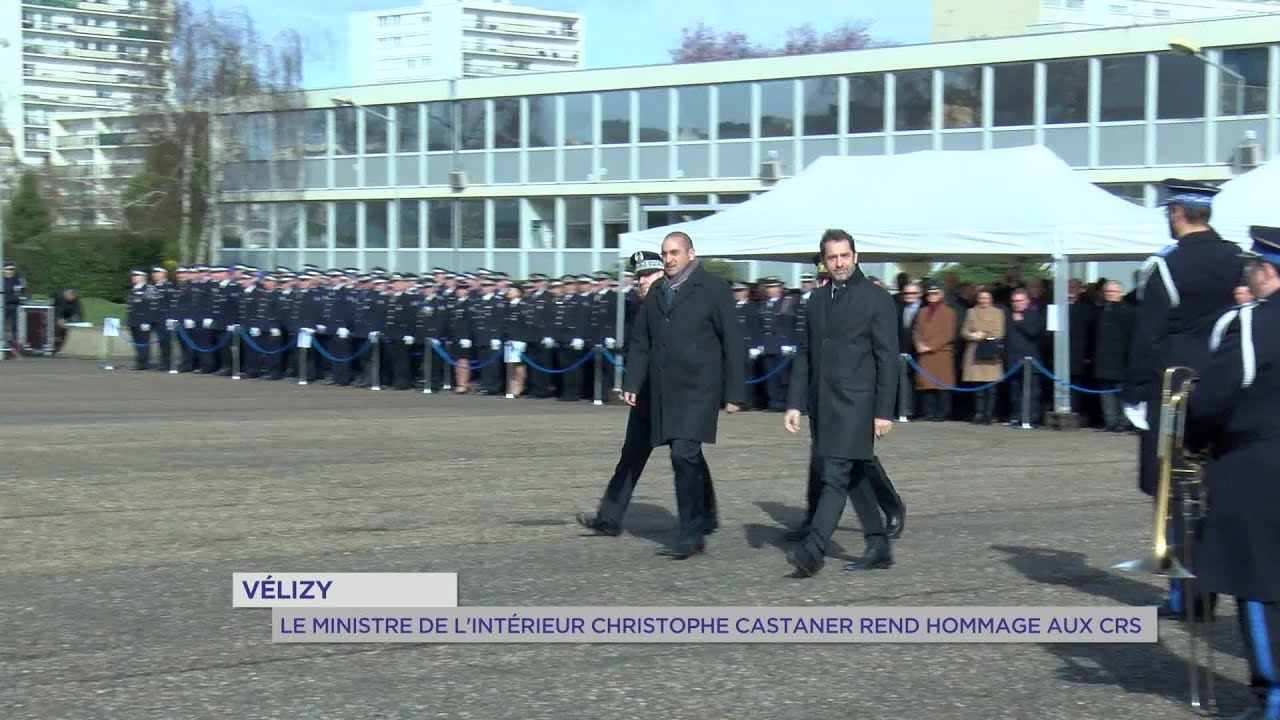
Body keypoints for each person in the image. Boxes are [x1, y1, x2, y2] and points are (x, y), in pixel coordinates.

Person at [1124, 178, 1244, 619]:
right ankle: (1214, 583)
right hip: (1228, 380)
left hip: (1172, 389)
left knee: (1171, 489)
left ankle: (1187, 595)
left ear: (1176, 212)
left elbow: (1148, 337)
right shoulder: (1239, 259)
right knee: (1215, 487)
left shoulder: (1164, 265)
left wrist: (1134, 392)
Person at [1185, 225, 1280, 720]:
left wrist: (1192, 442)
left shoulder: (1253, 324)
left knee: (1260, 583)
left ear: (1268, 270)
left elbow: (1211, 400)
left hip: (1258, 466)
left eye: (1252, 268)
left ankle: (1274, 696)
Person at [622, 232, 748, 559]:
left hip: (699, 389)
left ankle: (690, 534)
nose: (668, 259)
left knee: (683, 453)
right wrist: (632, 382)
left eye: (675, 252)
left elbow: (733, 342)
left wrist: (735, 392)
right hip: (665, 388)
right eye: (665, 253)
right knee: (687, 454)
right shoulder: (657, 293)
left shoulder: (714, 289)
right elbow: (641, 342)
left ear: (691, 253)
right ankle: (705, 515)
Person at [577, 251, 717, 537]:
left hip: (678, 396)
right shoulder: (636, 307)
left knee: (689, 456)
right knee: (631, 456)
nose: (641, 281)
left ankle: (705, 516)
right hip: (646, 395)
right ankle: (609, 517)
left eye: (648, 275)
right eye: (638, 276)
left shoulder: (681, 304)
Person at [783, 229, 898, 577]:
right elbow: (805, 354)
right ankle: (878, 545)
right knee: (856, 477)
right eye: (832, 257)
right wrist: (794, 403)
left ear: (856, 256)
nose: (839, 263)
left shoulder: (876, 299)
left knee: (835, 475)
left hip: (857, 405)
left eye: (844, 256)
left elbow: (887, 358)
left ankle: (812, 551)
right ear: (824, 261)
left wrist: (883, 411)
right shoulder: (816, 301)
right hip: (823, 405)